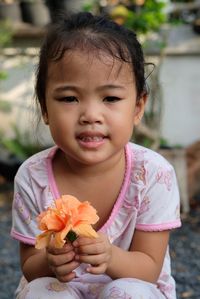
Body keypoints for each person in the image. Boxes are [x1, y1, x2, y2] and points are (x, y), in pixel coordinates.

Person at [11, 11, 181, 299]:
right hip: (60, 287)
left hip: (133, 283)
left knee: (126, 291)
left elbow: (149, 268)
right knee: (44, 292)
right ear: (45, 109)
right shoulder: (33, 176)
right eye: (69, 98)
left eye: (110, 98)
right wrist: (50, 259)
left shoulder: (153, 173)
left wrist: (111, 256)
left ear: (138, 107)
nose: (91, 115)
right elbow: (30, 266)